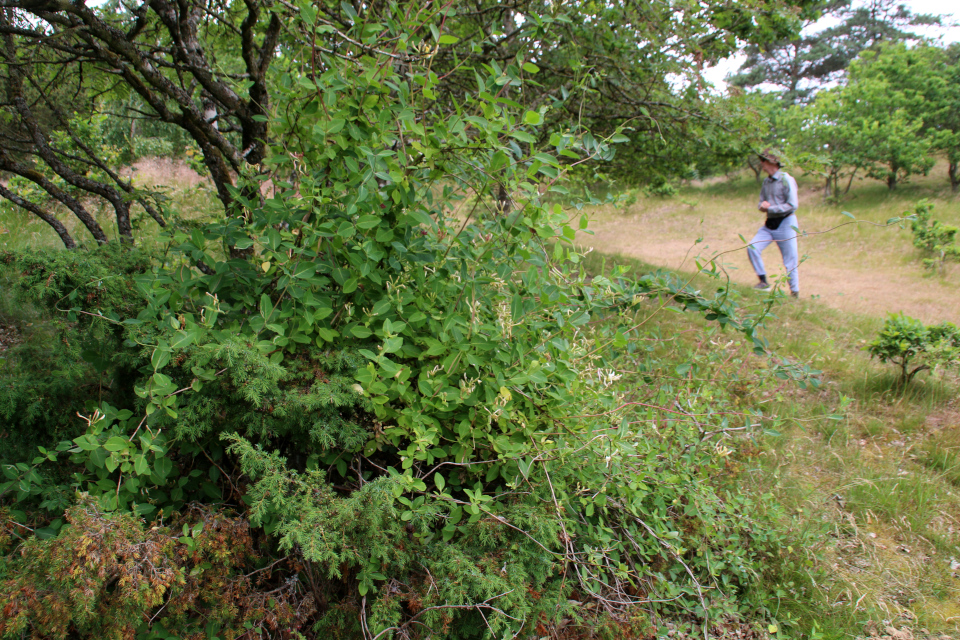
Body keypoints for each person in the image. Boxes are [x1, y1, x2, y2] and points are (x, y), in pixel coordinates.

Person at [747, 148, 800, 298]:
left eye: (763, 161)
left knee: (790, 260)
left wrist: (772, 208)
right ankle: (763, 282)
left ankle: (794, 293)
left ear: (771, 162)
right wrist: (762, 207)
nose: (761, 165)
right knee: (752, 247)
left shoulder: (786, 179)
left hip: (786, 222)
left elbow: (793, 205)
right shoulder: (767, 181)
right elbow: (761, 202)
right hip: (769, 223)